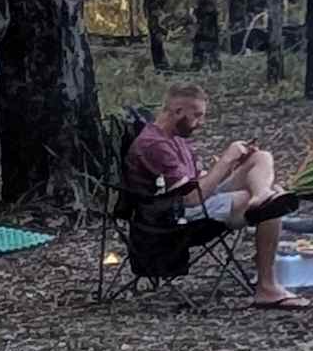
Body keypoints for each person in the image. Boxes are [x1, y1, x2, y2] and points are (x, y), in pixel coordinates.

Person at [127, 84, 302, 307]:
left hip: (194, 200)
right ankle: (267, 288)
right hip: (170, 216)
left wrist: (232, 167)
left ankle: (262, 194)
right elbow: (190, 199)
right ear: (178, 111)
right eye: (197, 116)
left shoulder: (175, 138)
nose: (201, 123)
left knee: (262, 159)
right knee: (270, 207)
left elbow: (198, 181)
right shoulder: (153, 144)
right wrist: (226, 159)